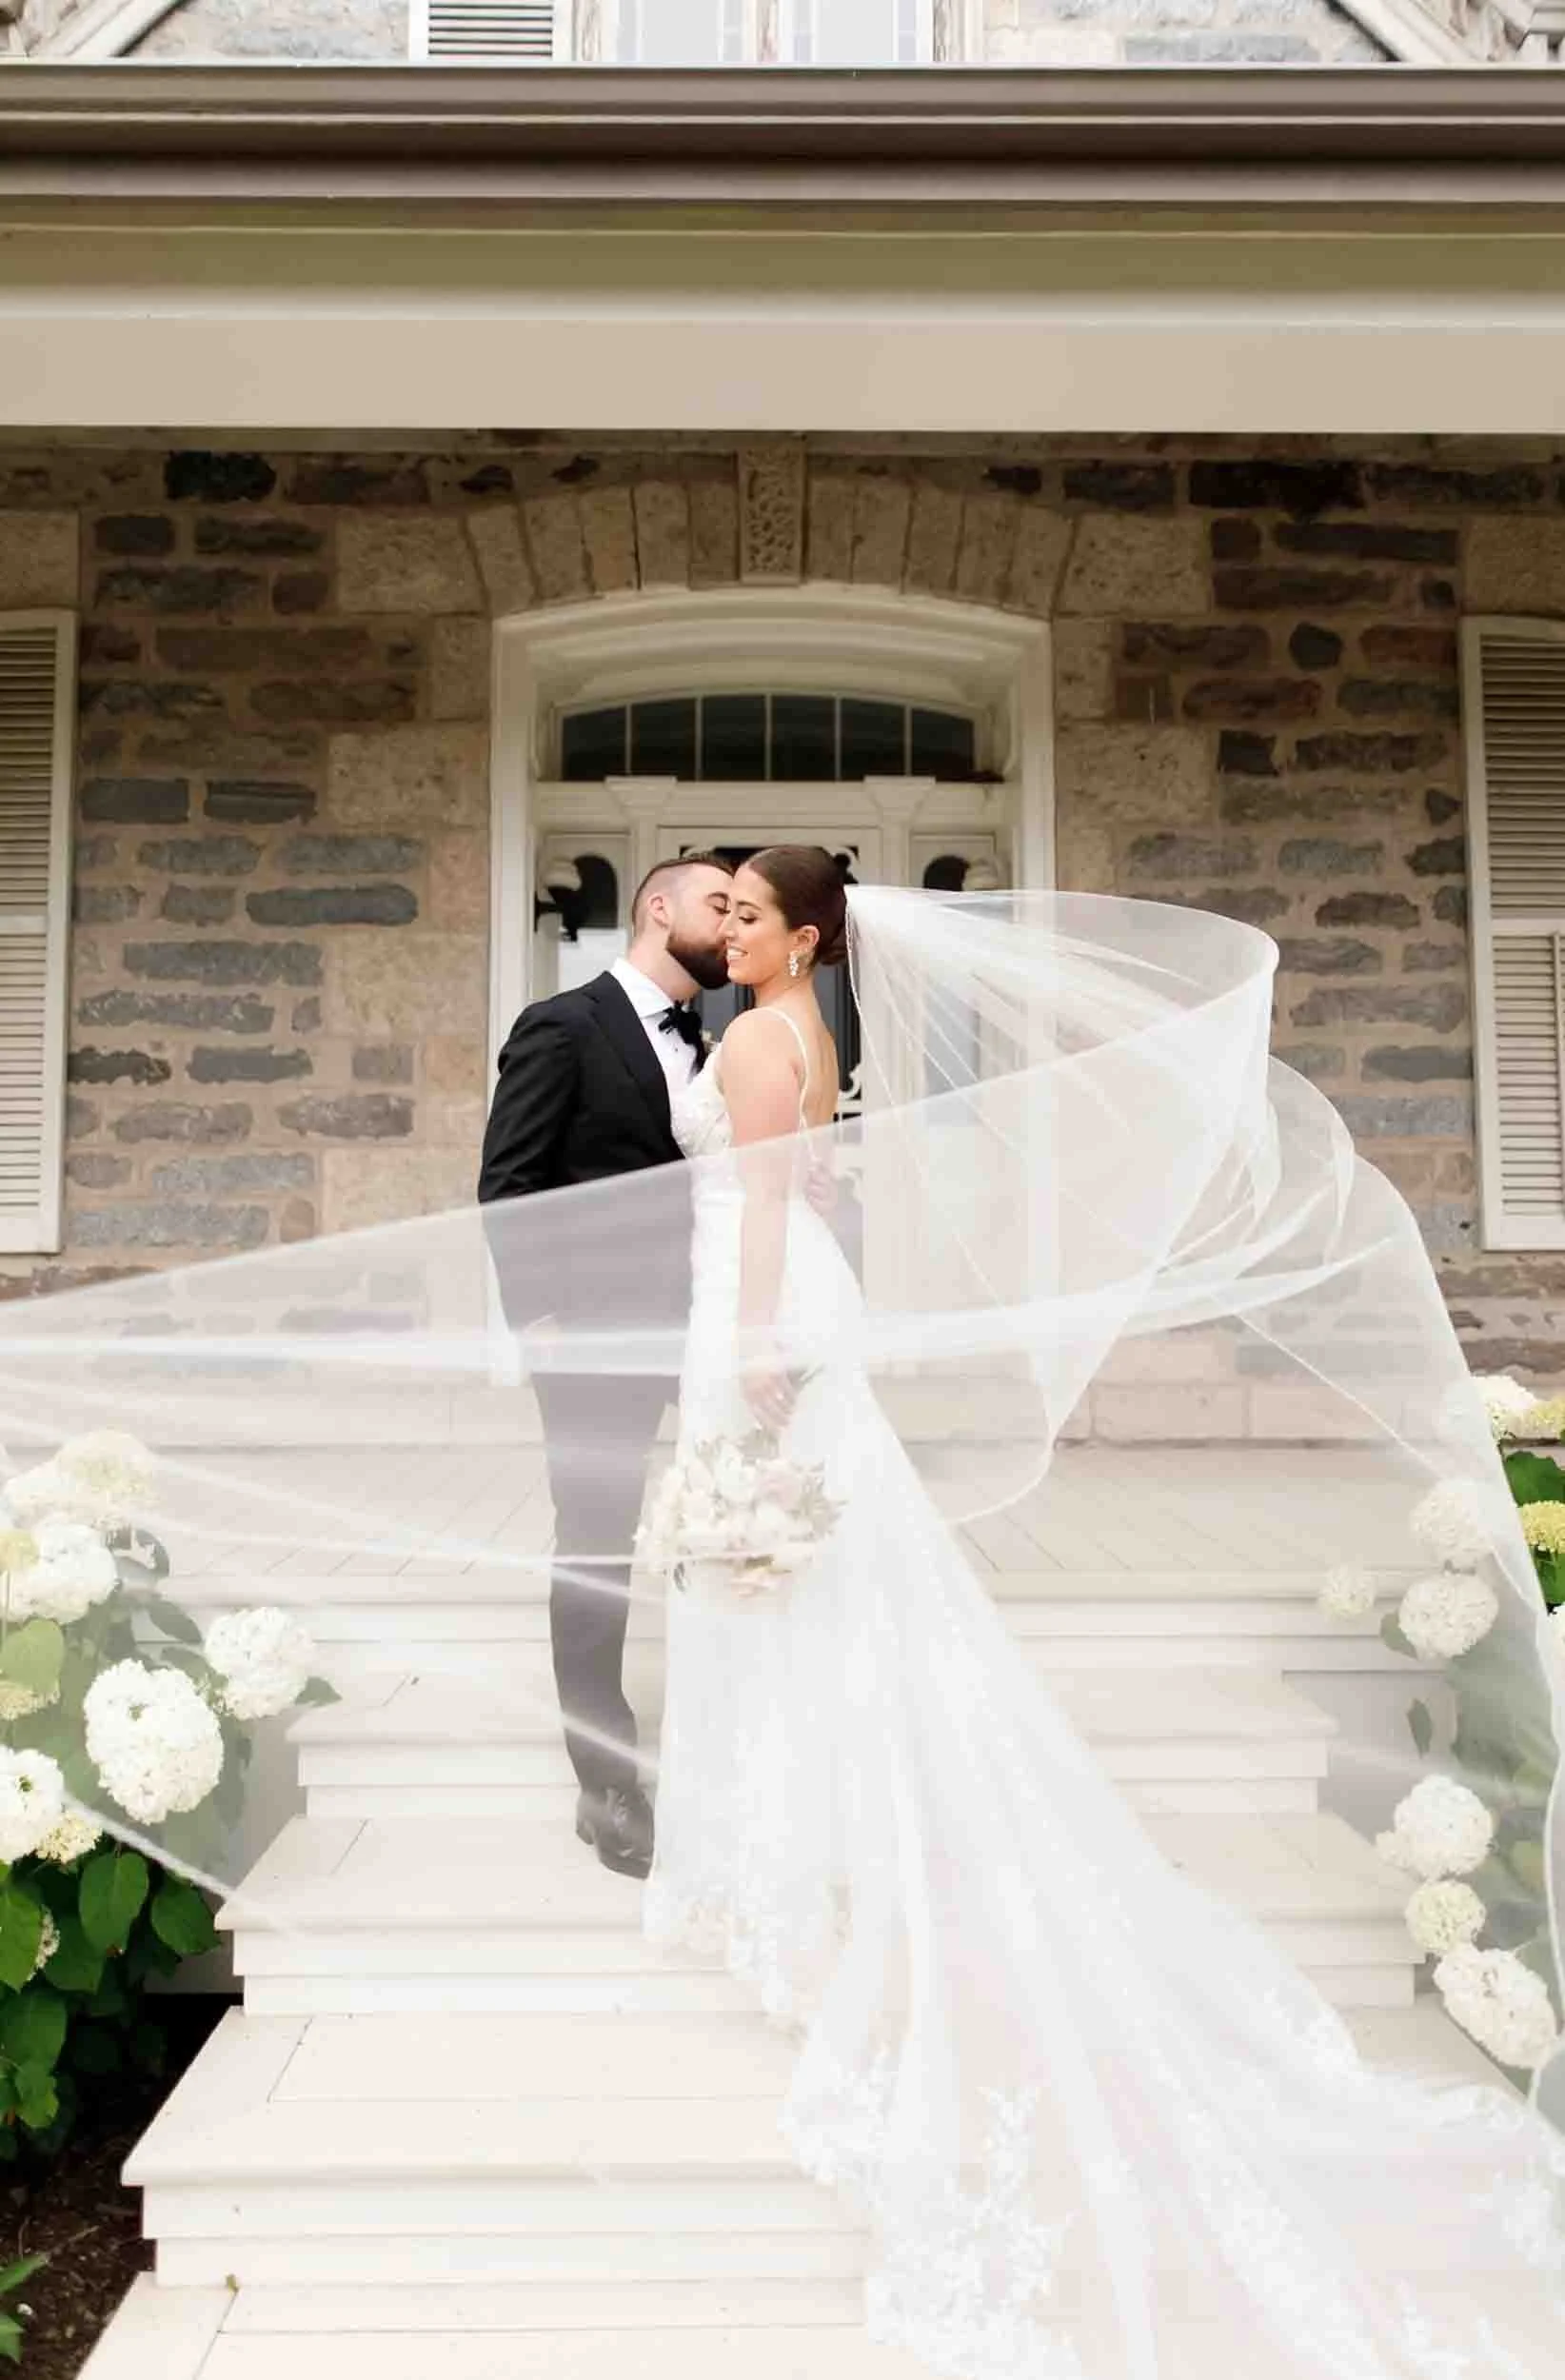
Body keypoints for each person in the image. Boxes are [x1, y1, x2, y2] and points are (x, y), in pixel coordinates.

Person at [640, 846, 1565, 2380]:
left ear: (802, 936)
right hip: (800, 1303)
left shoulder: (753, 1037)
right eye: (714, 907)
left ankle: (786, 1842)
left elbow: (751, 1213)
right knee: (818, 1570)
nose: (716, 928)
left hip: (759, 1312)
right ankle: (799, 1825)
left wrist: (745, 1350)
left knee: (775, 1557)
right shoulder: (815, 1035)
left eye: (742, 911)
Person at [476, 851, 734, 1880]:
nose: (732, 924)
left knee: (739, 1514)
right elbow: (510, 1177)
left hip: (708, 1325)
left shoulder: (713, 1039)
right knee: (595, 1543)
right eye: (720, 904)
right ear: (658, 908)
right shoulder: (564, 1025)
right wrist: (538, 1317)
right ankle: (607, 1782)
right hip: (593, 1337)